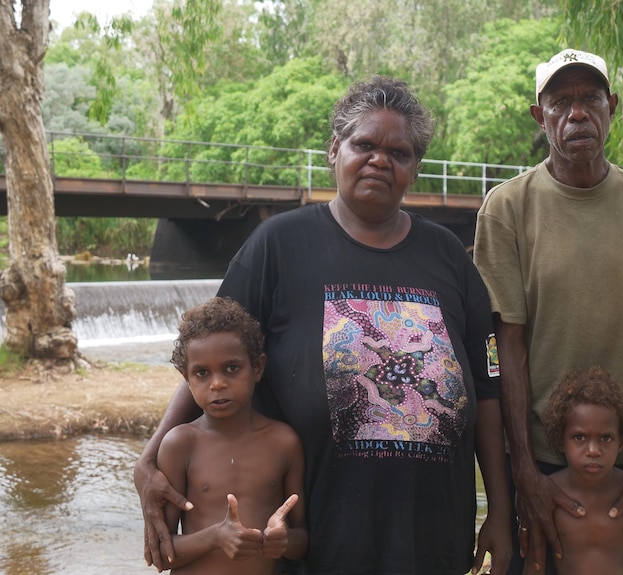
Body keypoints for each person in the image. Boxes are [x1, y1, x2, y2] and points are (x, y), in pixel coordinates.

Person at [136, 76, 512, 575]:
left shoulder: (449, 258)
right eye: (364, 144)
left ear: (415, 169)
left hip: (432, 536)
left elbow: (486, 395)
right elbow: (209, 360)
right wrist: (150, 458)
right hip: (317, 541)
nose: (380, 160)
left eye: (399, 153)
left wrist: (501, 514)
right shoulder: (277, 247)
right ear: (335, 150)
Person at [472, 48, 623, 575]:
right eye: (560, 101)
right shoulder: (506, 208)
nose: (576, 114)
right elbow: (506, 346)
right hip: (542, 462)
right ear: (539, 114)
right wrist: (521, 468)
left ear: (611, 106)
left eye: (589, 98)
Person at [157, 296, 308, 574]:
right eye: (202, 373)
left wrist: (283, 541)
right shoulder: (180, 445)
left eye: (232, 368)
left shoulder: (283, 443)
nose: (217, 384)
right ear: (186, 377)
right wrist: (215, 537)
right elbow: (160, 554)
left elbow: (302, 543)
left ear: (258, 367)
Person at [542, 368, 623, 575]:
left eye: (605, 438)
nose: (593, 451)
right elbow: (535, 565)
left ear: (621, 443)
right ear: (561, 441)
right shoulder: (549, 495)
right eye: (579, 437)